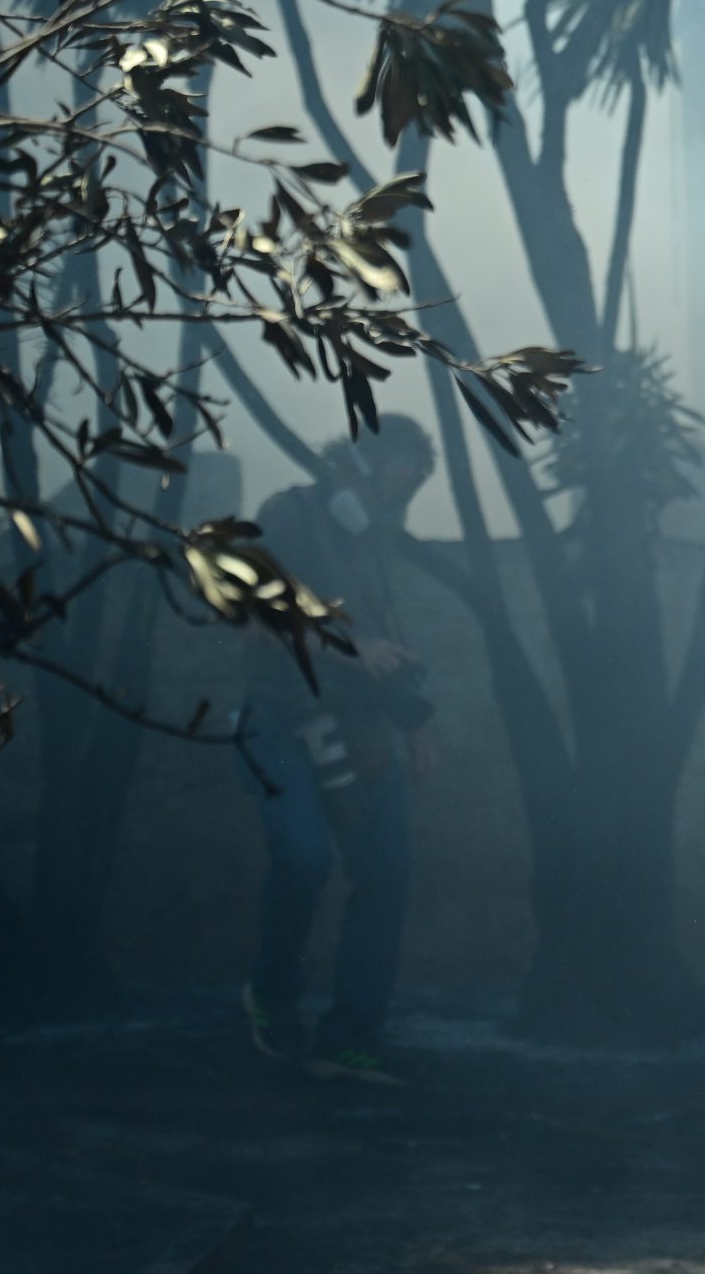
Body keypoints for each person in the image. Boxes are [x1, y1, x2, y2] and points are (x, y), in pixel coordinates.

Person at [237, 414, 439, 1085]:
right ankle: (270, 995)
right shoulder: (288, 513)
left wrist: (413, 721)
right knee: (303, 854)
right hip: (285, 722)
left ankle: (350, 1037)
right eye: (392, 480)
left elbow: (386, 634)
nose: (395, 499)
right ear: (351, 462)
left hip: (362, 732)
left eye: (408, 489)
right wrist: (348, 647)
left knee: (388, 873)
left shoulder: (371, 543)